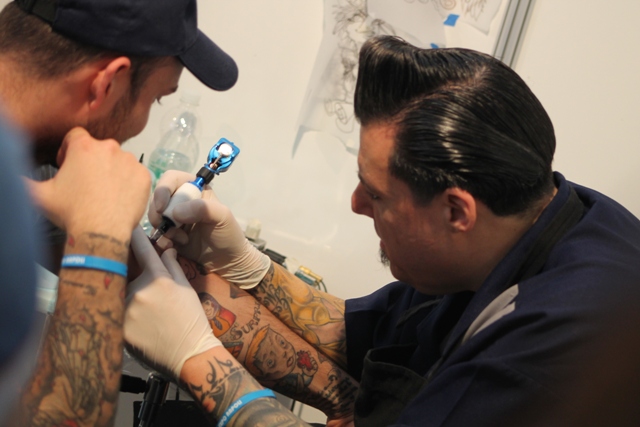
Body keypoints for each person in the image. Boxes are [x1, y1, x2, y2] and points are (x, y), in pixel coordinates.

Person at [132, 34, 640, 426]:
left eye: (376, 194)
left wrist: (196, 358)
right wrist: (244, 263)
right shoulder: (530, 217)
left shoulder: (541, 357)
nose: (356, 204)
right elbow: (359, 334)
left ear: (456, 212)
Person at [0, 0, 238, 425]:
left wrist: (227, 265)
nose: (142, 123)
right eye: (157, 100)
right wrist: (100, 232)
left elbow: (128, 269)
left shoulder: (33, 158)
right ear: (106, 84)